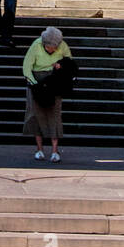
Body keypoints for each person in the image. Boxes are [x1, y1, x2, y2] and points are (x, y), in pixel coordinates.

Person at [22, 27, 74, 163]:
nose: (52, 49)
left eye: (54, 47)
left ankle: (55, 151)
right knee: (36, 114)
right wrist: (34, 84)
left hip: (54, 81)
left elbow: (70, 63)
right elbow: (27, 66)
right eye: (49, 47)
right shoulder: (36, 45)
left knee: (54, 114)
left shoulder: (62, 46)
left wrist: (61, 66)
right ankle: (39, 149)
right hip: (37, 80)